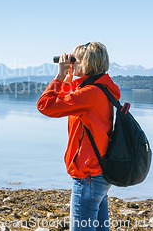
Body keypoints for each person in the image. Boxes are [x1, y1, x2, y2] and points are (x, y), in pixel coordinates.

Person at [37, 42, 120, 231]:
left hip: (88, 176)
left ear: (86, 64)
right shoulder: (102, 90)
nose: (71, 62)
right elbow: (69, 104)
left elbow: (45, 105)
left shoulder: (89, 94)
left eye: (75, 59)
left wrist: (59, 76)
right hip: (100, 172)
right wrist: (68, 79)